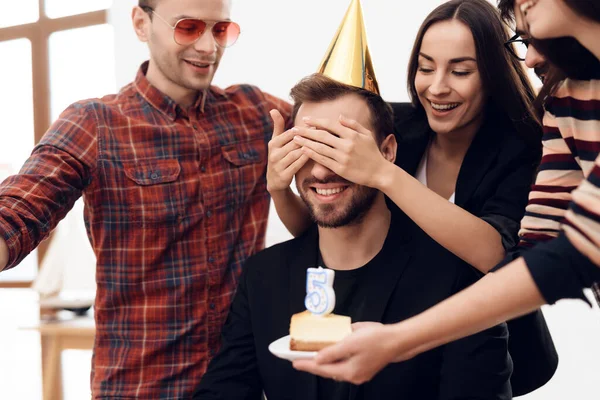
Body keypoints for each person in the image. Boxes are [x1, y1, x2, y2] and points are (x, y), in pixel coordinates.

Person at [0, 0, 304, 397]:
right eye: (189, 27)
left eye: (220, 30)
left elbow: (337, 125)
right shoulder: (96, 123)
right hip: (140, 386)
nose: (208, 48)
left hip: (237, 384)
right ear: (142, 23)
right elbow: (20, 210)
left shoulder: (255, 113)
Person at [292, 0, 600, 386]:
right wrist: (279, 187)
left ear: (490, 73)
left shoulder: (522, 144)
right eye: (425, 67)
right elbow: (548, 253)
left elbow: (509, 254)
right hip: (392, 335)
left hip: (485, 349)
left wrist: (384, 174)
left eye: (460, 70)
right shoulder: (397, 127)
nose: (437, 86)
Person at [196, 73, 513, 400]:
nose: (320, 171)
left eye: (338, 147)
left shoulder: (455, 280)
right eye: (308, 147)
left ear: (387, 152)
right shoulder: (263, 277)